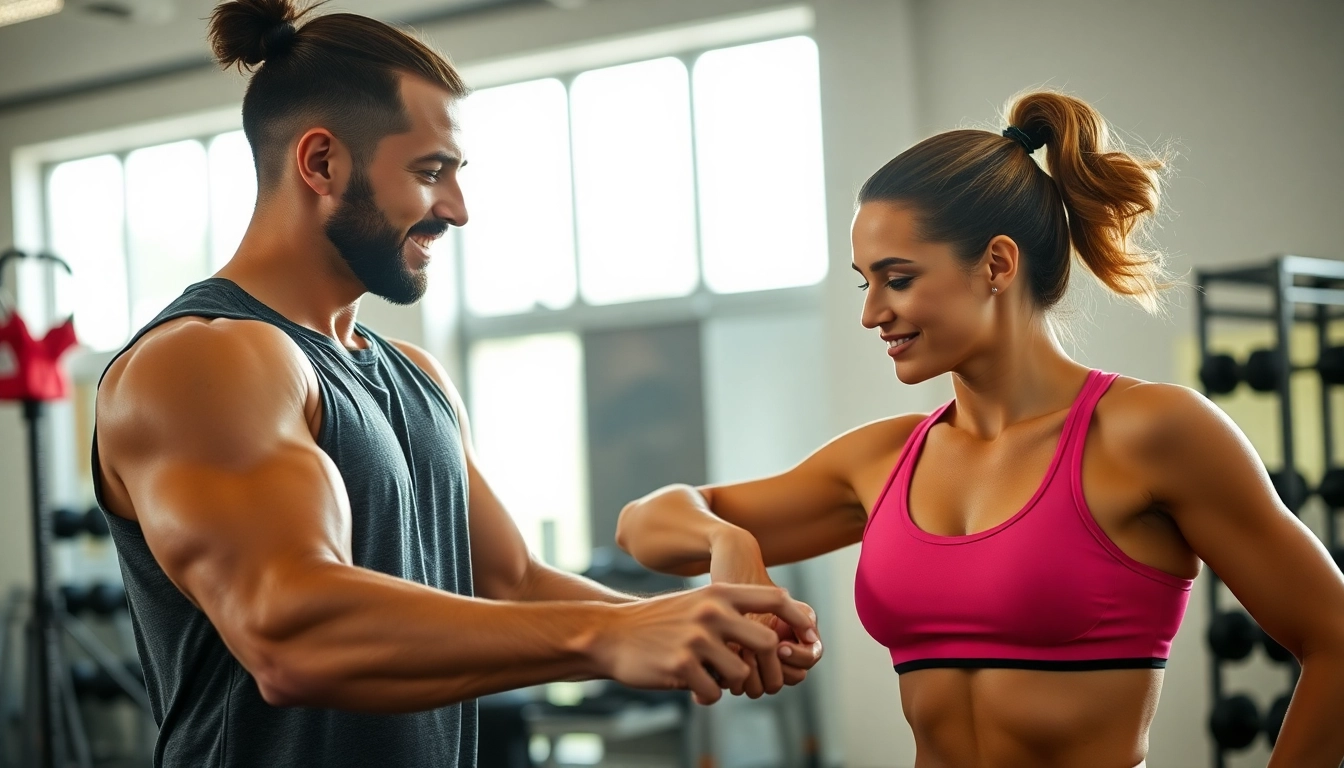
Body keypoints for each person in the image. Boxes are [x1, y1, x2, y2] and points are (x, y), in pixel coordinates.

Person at [91, 1, 821, 766]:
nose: (458, 210)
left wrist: (705, 622)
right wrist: (612, 636)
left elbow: (509, 583)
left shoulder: (413, 374)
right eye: (429, 172)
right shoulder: (204, 361)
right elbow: (291, 632)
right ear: (321, 163)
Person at [617, 91, 1344, 767]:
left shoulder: (1149, 433)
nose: (871, 313)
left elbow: (1335, 639)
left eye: (897, 279)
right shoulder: (884, 459)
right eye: (863, 282)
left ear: (996, 263)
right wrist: (729, 543)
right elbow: (643, 525)